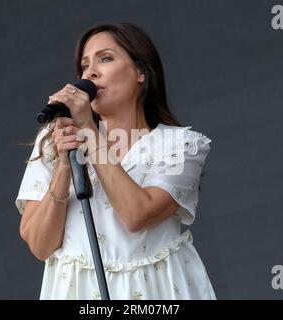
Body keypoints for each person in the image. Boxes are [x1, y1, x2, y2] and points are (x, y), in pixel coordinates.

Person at [15, 23, 216, 300]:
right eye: (84, 66)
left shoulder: (181, 146)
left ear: (141, 73)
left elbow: (137, 216)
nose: (90, 72)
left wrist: (89, 132)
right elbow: (40, 245)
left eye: (105, 58)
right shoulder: (54, 141)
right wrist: (64, 166)